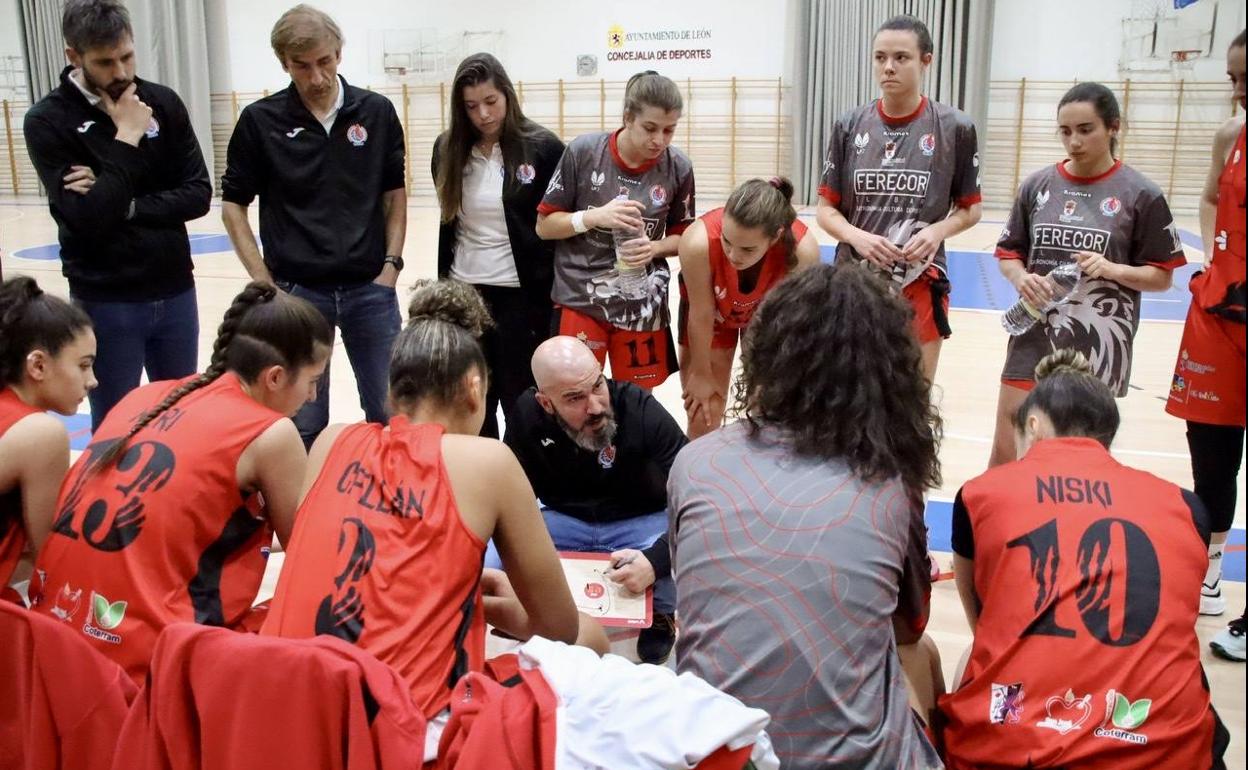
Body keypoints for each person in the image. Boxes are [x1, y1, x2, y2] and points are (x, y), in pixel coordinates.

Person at [261, 280, 588, 759]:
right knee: (592, 638)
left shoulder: (331, 441)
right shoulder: (489, 461)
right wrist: (495, 609)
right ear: (474, 387)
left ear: (393, 392)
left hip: (278, 708)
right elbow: (559, 628)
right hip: (393, 736)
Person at [670, 261, 944, 769]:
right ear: (888, 373)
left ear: (766, 356)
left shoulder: (695, 461)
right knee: (916, 654)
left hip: (718, 753)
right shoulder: (888, 481)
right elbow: (909, 626)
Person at [29, 283, 331, 683]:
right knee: (328, 613)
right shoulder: (271, 433)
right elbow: (309, 558)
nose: (312, 396)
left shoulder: (150, 394)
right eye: (312, 381)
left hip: (50, 629)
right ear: (274, 377)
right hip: (145, 662)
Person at [940, 350, 1228, 769]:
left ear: (1033, 426)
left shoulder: (980, 493)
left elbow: (983, 623)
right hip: (1163, 754)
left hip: (1012, 752)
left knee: (972, 658)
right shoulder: (1185, 507)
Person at [221, 4, 406, 448]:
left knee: (390, 414)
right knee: (299, 425)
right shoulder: (260, 121)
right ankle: (301, 495)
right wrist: (265, 283)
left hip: (371, 291)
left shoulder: (376, 112)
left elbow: (394, 196)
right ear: (283, 63)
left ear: (339, 53)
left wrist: (391, 267)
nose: (317, 76)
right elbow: (232, 207)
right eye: (302, 66)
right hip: (296, 294)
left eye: (325, 61)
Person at [23, 0, 210, 431]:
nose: (121, 72)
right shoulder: (48, 121)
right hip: (106, 300)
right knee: (113, 426)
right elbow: (87, 219)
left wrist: (123, 201)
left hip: (175, 289)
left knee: (179, 421)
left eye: (127, 56)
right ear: (74, 56)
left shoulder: (162, 102)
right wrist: (126, 137)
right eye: (105, 63)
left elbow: (198, 194)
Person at [988, 82, 1185, 467]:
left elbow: (1162, 276)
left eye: (1085, 129)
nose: (1073, 141)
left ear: (1113, 127)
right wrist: (1020, 278)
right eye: (1065, 131)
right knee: (1008, 448)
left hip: (1098, 346)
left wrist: (1112, 269)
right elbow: (1009, 253)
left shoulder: (1141, 194)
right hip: (1034, 336)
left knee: (1080, 461)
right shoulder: (1037, 186)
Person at [500, 335, 688, 664]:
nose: (596, 407)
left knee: (680, 541)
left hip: (638, 519)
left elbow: (699, 494)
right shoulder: (527, 415)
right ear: (546, 403)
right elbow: (507, 496)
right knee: (491, 559)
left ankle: (660, 612)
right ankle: (532, 614)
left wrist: (655, 560)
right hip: (564, 519)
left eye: (597, 386)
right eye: (575, 398)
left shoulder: (639, 408)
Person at [815, 14, 982, 383]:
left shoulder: (955, 127)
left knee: (913, 395)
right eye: (880, 57)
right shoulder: (848, 125)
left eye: (901, 57)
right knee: (851, 389)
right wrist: (857, 237)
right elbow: (826, 211)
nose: (888, 67)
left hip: (920, 278)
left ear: (926, 60)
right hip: (855, 281)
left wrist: (937, 231)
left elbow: (970, 210)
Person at [536, 70, 695, 390]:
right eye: (650, 128)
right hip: (580, 298)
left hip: (641, 303)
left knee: (636, 400)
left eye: (669, 130)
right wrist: (593, 217)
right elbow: (544, 226)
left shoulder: (678, 167)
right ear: (627, 117)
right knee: (575, 395)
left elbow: (687, 239)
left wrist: (654, 248)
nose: (659, 140)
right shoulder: (583, 152)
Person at [432, 53, 564, 438]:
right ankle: (481, 466)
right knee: (471, 398)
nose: (483, 114)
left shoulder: (543, 148)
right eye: (471, 106)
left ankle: (521, 469)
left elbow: (556, 224)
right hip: (464, 296)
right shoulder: (447, 149)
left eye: (491, 101)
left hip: (520, 298)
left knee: (521, 397)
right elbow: (450, 225)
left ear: (507, 94)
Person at [1165, 29, 1246, 637]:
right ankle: (1210, 570)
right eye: (1233, 79)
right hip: (1222, 311)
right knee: (1212, 452)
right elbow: (1209, 197)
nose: (1239, 92)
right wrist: (1218, 267)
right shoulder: (1230, 135)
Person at [678, 176, 820, 437]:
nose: (733, 255)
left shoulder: (803, 251)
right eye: (726, 241)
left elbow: (788, 327)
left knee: (767, 410)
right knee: (703, 413)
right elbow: (701, 314)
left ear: (775, 237)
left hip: (765, 319)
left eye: (747, 249)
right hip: (712, 316)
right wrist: (700, 373)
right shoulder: (697, 241)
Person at [0, 277, 96, 592]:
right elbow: (50, 558)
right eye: (83, 366)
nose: (92, 380)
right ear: (38, 366)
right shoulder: (41, 434)